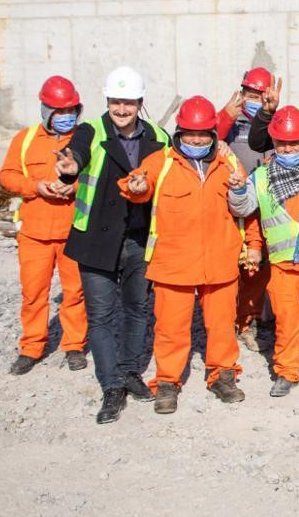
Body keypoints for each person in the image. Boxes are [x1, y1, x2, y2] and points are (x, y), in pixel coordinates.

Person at [117, 96, 253, 414]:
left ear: (213, 133)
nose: (196, 139)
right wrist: (135, 187)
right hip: (173, 262)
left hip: (219, 260)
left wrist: (239, 190)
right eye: (190, 132)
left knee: (221, 324)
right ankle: (167, 381)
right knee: (170, 327)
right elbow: (138, 184)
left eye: (203, 133)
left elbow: (245, 207)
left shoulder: (229, 163)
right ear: (179, 132)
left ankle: (223, 375)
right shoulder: (161, 162)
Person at [53, 66, 170, 423]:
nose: (121, 109)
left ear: (140, 103)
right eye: (116, 102)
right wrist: (70, 168)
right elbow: (76, 155)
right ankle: (112, 384)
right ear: (107, 101)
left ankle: (131, 370)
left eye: (129, 102)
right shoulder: (91, 131)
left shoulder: (159, 136)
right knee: (101, 316)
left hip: (138, 237)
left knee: (137, 308)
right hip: (96, 239)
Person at [230, 106, 299, 399]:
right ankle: (287, 371)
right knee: (287, 322)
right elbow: (244, 209)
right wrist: (238, 191)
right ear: (274, 143)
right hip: (282, 264)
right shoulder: (261, 176)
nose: (287, 147)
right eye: (281, 142)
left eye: (293, 142)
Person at [0, 75, 88, 375]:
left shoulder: (84, 140)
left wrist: (74, 188)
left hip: (74, 231)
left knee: (75, 291)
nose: (65, 117)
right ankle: (32, 347)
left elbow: (98, 178)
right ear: (46, 110)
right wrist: (35, 186)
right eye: (59, 111)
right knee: (33, 291)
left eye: (70, 110)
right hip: (35, 233)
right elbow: (7, 176)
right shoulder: (24, 140)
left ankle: (74, 346)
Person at [217, 66, 275, 352]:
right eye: (250, 93)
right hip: (235, 203)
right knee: (236, 264)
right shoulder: (231, 121)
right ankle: (237, 320)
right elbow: (203, 139)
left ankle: (258, 318)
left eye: (260, 94)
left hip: (267, 202)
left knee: (261, 265)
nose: (255, 99)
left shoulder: (277, 121)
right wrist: (226, 115)